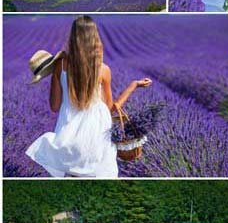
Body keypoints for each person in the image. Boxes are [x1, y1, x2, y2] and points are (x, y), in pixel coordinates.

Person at [25, 15, 152, 179]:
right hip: (98, 143)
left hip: (68, 140)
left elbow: (55, 106)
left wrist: (57, 78)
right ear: (95, 38)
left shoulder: (60, 65)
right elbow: (111, 108)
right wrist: (133, 85)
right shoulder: (103, 70)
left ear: (73, 38)